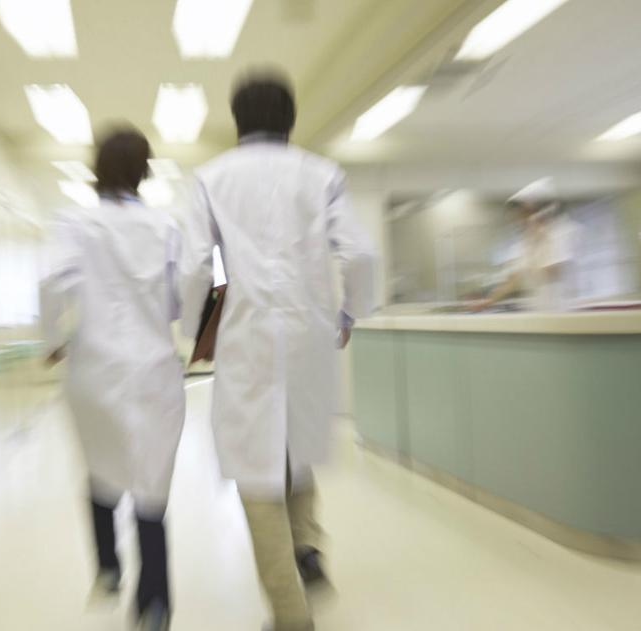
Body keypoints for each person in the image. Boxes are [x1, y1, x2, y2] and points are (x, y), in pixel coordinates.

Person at [180, 73, 377, 631]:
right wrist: (349, 313)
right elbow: (361, 255)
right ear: (290, 119)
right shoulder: (322, 173)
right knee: (295, 442)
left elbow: (194, 266)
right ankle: (307, 547)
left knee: (256, 466)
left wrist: (194, 331)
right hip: (310, 335)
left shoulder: (210, 177)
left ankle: (290, 613)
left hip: (249, 336)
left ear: (237, 120)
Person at [39, 128, 184, 631]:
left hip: (94, 368)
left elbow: (49, 282)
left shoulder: (73, 222)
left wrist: (51, 340)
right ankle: (154, 603)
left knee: (100, 465)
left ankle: (107, 567)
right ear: (145, 170)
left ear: (96, 168)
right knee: (151, 482)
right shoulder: (166, 225)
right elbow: (181, 298)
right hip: (154, 368)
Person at [474, 177, 578, 312]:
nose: (520, 221)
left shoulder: (563, 231)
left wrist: (538, 240)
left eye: (524, 214)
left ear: (540, 211)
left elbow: (553, 272)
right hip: (537, 309)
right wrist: (488, 301)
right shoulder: (525, 242)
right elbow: (513, 279)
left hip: (561, 310)